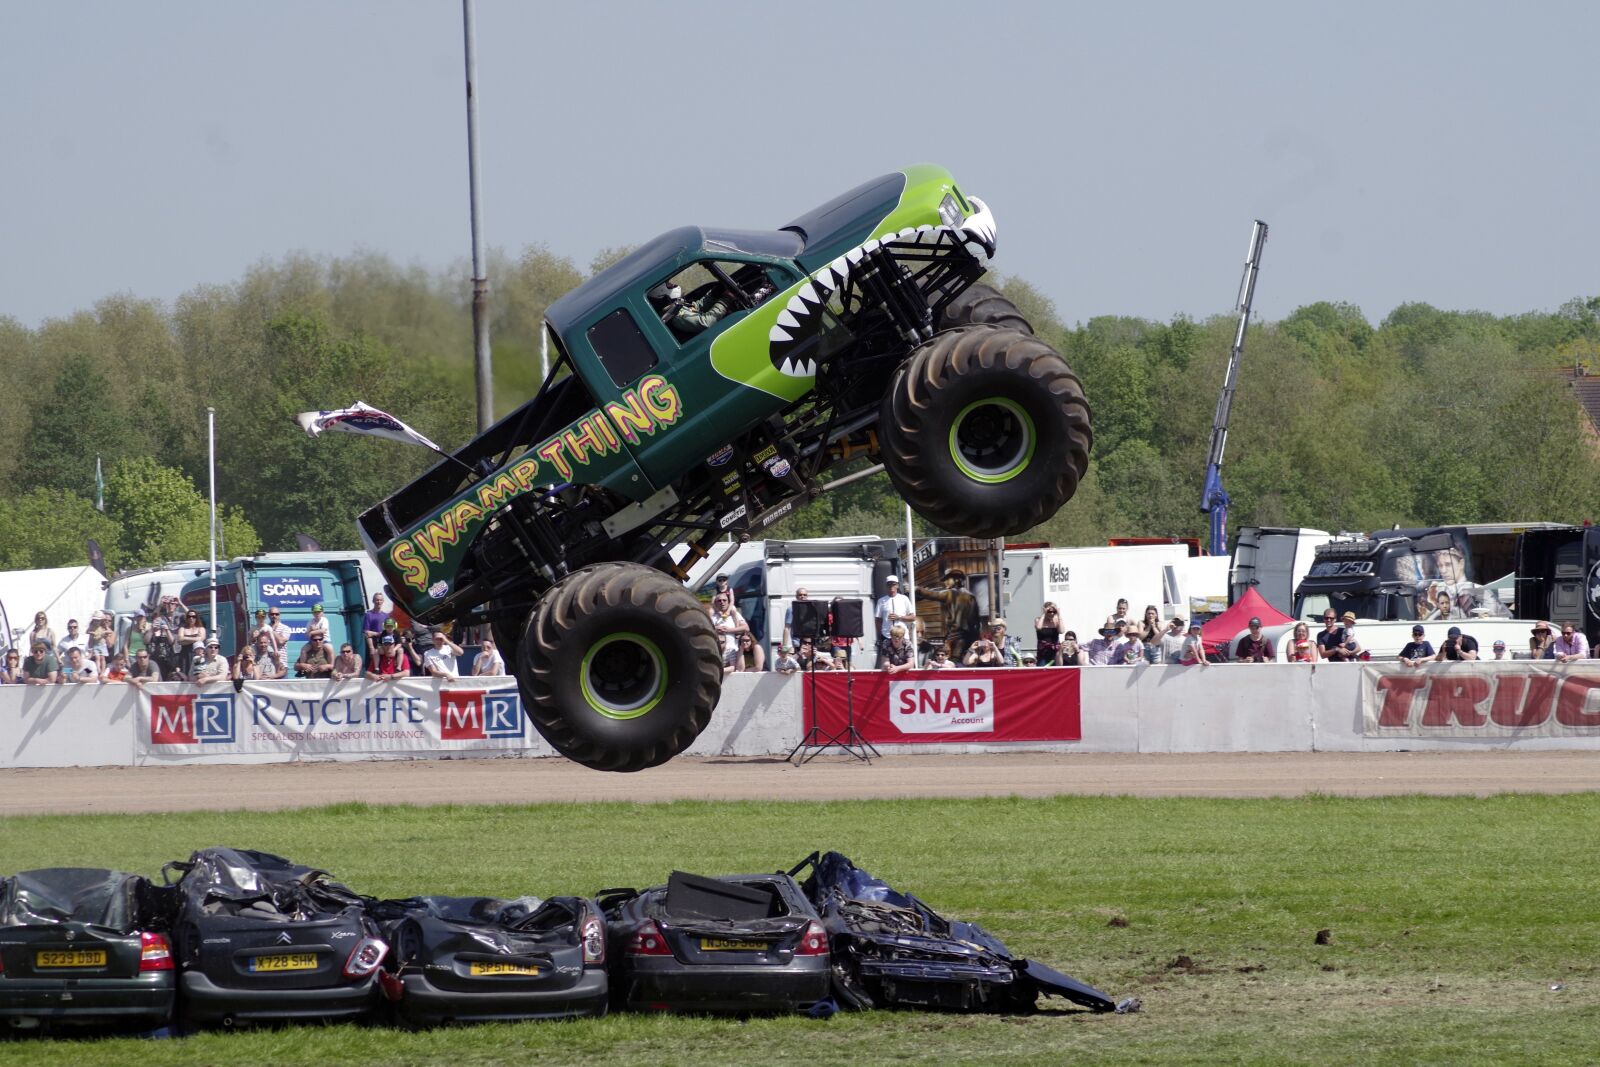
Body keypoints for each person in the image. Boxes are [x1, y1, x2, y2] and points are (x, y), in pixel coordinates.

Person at [918, 569, 979, 660]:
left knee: (953, 662)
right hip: (969, 637)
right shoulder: (971, 597)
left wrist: (917, 589)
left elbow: (932, 594)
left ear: (956, 580)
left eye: (948, 579)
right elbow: (976, 620)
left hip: (955, 637)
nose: (945, 582)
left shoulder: (951, 593)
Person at [874, 576, 915, 666]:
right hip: (887, 635)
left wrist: (899, 617)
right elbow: (878, 620)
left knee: (905, 660)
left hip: (902, 635)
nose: (891, 586)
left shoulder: (904, 599)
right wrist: (879, 635)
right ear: (886, 586)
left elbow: (913, 617)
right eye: (889, 584)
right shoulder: (881, 601)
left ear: (897, 585)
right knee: (887, 662)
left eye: (893, 584)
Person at [709, 593, 749, 670]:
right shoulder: (712, 616)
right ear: (715, 603)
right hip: (717, 652)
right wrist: (715, 629)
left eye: (724, 600)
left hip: (733, 651)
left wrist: (729, 630)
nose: (722, 602)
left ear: (728, 602)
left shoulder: (734, 614)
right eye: (719, 601)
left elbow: (746, 628)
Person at [362, 591, 389, 658]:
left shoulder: (386, 615)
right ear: (373, 601)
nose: (379, 602)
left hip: (384, 644)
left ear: (383, 601)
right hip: (372, 644)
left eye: (380, 600)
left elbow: (388, 631)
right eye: (377, 600)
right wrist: (371, 648)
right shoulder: (368, 615)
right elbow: (366, 632)